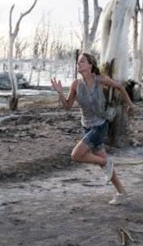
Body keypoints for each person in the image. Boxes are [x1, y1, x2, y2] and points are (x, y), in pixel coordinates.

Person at [51, 52, 135, 205]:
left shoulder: (100, 80)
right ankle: (122, 192)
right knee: (102, 162)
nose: (79, 64)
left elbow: (120, 87)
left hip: (100, 126)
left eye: (82, 62)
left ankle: (106, 162)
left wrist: (130, 104)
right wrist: (60, 93)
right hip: (86, 127)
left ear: (90, 65)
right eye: (78, 62)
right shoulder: (76, 84)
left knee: (76, 155)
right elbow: (67, 106)